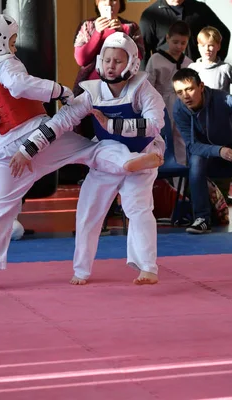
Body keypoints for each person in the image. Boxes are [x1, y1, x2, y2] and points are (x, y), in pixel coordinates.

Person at [0, 15, 162, 290]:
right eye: (13, 40)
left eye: (118, 61)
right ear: (1, 41)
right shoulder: (6, 63)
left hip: (5, 149)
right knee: (92, 151)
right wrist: (59, 90)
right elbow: (23, 88)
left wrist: (24, 150)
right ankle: (127, 163)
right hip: (30, 134)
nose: (15, 46)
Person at [69, 32, 166, 285]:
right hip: (108, 159)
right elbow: (63, 120)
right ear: (101, 61)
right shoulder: (91, 92)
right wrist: (31, 147)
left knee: (139, 209)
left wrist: (113, 125)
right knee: (88, 213)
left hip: (142, 153)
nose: (112, 66)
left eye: (118, 61)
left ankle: (148, 268)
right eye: (108, 60)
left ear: (132, 63)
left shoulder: (145, 90)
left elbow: (155, 125)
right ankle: (81, 269)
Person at [172, 68, 232, 235]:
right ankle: (202, 218)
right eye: (179, 92)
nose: (185, 96)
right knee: (195, 159)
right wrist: (219, 150)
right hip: (208, 154)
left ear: (201, 86)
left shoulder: (222, 99)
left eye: (189, 89)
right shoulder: (179, 109)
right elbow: (192, 145)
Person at [190, 26, 232, 204]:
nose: (207, 49)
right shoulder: (194, 68)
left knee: (224, 157)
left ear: (218, 46)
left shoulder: (225, 68)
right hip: (200, 121)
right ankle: (209, 196)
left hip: (222, 122)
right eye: (204, 45)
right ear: (198, 46)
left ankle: (222, 194)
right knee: (204, 158)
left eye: (211, 45)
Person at [145, 20, 192, 165]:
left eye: (183, 43)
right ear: (167, 38)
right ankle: (161, 177)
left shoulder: (189, 63)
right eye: (175, 42)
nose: (179, 46)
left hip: (181, 104)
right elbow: (148, 86)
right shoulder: (156, 59)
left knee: (181, 139)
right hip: (161, 104)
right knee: (160, 138)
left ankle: (180, 180)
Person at [139, 0, 230, 68]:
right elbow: (143, 49)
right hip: (164, 78)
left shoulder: (199, 9)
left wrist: (215, 61)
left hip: (195, 75)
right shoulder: (151, 14)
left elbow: (224, 33)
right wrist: (145, 80)